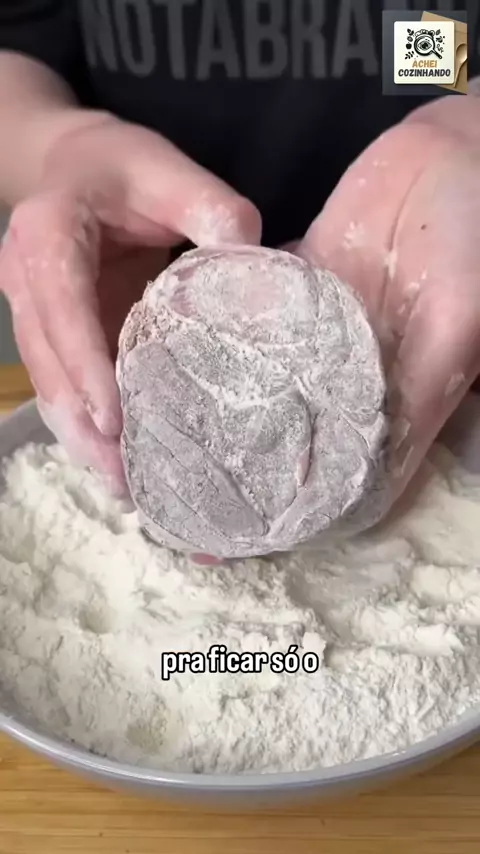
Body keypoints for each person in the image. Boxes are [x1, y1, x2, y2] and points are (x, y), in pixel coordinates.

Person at [0, 1, 479, 551]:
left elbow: (462, 51)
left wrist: (466, 126)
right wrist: (58, 145)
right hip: (157, 322)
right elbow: (18, 50)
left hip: (430, 298)